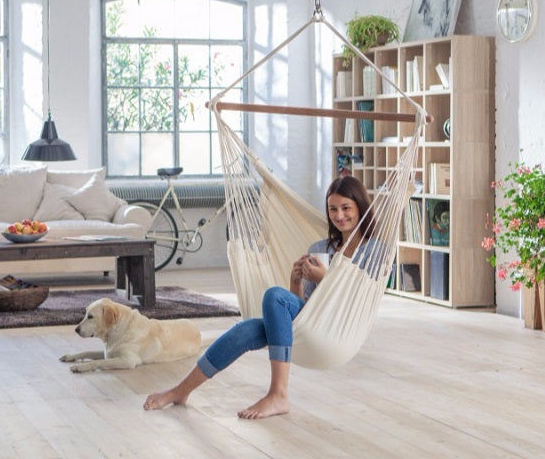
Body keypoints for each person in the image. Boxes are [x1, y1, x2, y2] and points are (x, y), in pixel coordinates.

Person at [143, 175, 374, 419]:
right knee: (247, 328)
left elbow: (356, 298)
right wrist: (295, 280)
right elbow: (303, 305)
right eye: (333, 209)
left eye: (346, 208)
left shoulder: (374, 250)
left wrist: (325, 278)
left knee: (274, 296)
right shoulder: (320, 248)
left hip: (338, 328)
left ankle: (278, 394)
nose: (339, 216)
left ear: (360, 206)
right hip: (311, 324)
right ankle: (180, 391)